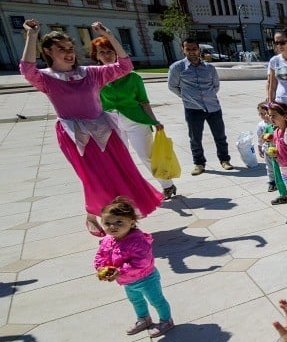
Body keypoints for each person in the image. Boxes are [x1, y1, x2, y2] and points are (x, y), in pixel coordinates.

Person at [20, 19, 163, 236]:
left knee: (122, 173)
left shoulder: (91, 73)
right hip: (76, 137)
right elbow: (27, 70)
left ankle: (123, 217)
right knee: (94, 178)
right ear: (48, 51)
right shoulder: (46, 79)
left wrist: (111, 36)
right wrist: (31, 36)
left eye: (71, 48)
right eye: (61, 49)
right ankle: (93, 214)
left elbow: (126, 66)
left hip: (104, 131)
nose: (69, 53)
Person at [91, 37, 178, 201]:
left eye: (110, 51)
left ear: (117, 53)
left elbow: (144, 101)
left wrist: (154, 121)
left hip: (136, 120)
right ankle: (125, 192)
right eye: (102, 52)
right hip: (110, 122)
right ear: (96, 56)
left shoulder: (133, 77)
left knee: (146, 155)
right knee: (118, 159)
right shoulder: (95, 78)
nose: (107, 55)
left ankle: (167, 185)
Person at [94, 196, 174, 337]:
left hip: (146, 278)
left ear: (131, 223)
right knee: (135, 300)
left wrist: (120, 271)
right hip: (127, 281)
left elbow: (141, 262)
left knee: (156, 300)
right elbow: (101, 256)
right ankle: (143, 319)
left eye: (119, 222)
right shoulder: (107, 240)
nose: (112, 227)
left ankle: (166, 320)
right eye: (107, 223)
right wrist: (101, 268)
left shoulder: (138, 241)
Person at [168, 38, 233, 176]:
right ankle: (199, 163)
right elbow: (172, 86)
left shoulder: (209, 68)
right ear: (183, 50)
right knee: (195, 138)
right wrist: (187, 97)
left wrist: (207, 97)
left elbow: (216, 86)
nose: (192, 52)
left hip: (213, 107)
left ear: (199, 49)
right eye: (188, 49)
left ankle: (224, 160)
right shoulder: (177, 68)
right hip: (193, 109)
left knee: (220, 136)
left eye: (194, 48)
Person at [255, 102, 279, 193]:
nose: (263, 116)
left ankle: (283, 180)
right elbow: (260, 138)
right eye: (260, 114)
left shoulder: (276, 123)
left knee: (281, 166)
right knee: (269, 166)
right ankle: (272, 182)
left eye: (264, 113)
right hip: (268, 149)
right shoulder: (261, 125)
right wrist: (260, 148)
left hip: (278, 149)